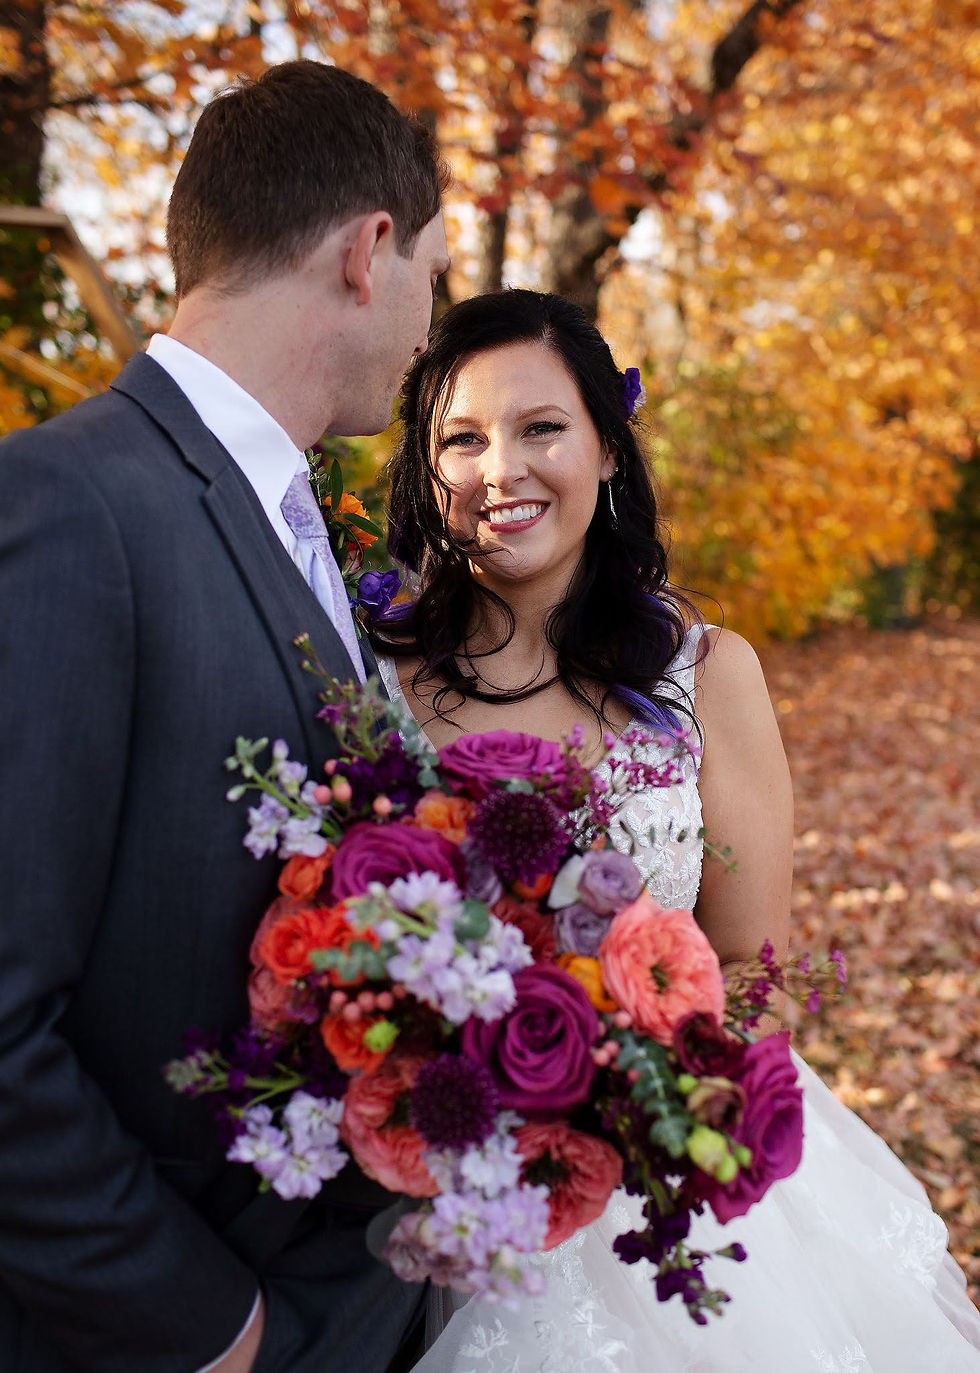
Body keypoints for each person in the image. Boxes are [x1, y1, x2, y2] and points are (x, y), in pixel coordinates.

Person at [369, 289, 980, 1371]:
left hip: (669, 1197)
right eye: (459, 438)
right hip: (426, 1199)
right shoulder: (372, 684)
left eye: (539, 427)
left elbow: (753, 963)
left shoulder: (703, 676)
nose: (498, 470)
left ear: (607, 448)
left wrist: (630, 1093)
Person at [0, 60, 450, 1373]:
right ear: (372, 252)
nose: (431, 321)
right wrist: (206, 1326)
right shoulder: (64, 503)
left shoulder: (294, 518)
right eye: (433, 268)